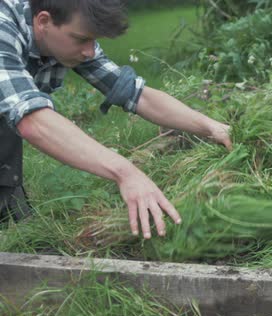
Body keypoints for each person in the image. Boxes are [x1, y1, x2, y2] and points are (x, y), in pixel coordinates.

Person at [0, 0, 232, 239]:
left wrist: (211, 127)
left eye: (93, 40)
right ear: (43, 21)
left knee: (16, 233)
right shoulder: (3, 27)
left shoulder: (66, 35)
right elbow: (33, 121)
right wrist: (125, 172)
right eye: (81, 39)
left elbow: (135, 94)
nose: (90, 51)